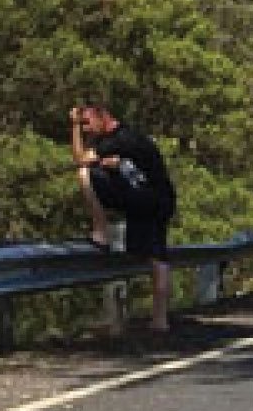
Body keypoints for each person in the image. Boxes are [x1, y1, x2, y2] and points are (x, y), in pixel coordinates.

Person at [71, 102, 177, 333]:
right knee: (155, 255)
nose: (86, 129)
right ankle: (160, 321)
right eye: (82, 125)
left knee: (84, 173)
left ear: (103, 117)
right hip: (158, 198)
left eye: (87, 123)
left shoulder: (119, 139)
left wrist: (74, 128)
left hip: (148, 200)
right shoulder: (125, 137)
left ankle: (100, 233)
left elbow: (80, 159)